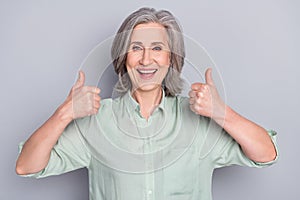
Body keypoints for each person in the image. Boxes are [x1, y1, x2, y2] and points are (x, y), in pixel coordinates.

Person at [16, 7, 278, 200]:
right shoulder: (98, 121)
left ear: (172, 59)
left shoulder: (199, 121)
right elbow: (26, 166)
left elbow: (266, 154)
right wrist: (64, 114)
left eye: (157, 48)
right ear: (123, 58)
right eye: (135, 48)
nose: (145, 60)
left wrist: (222, 113)